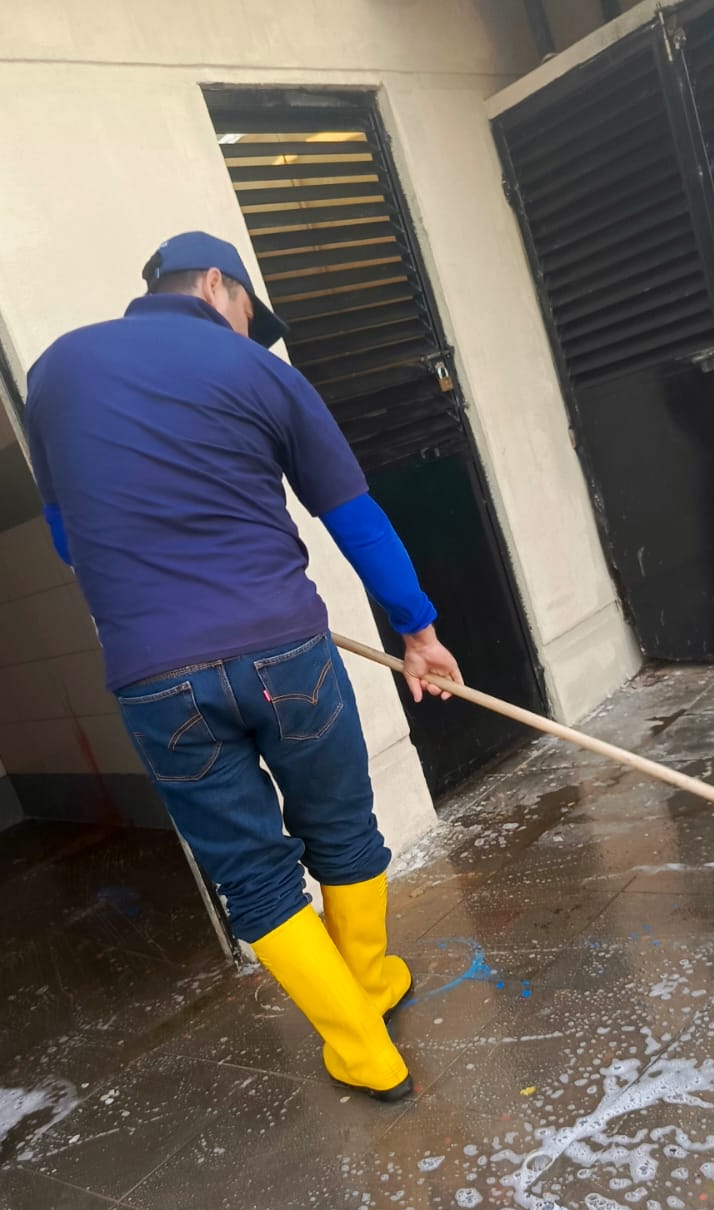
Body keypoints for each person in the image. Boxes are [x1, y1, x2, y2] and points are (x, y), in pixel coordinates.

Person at [25, 230, 462, 1102]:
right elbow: (355, 516)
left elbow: (69, 536)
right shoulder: (263, 372)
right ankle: (370, 986)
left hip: (155, 673)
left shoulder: (54, 373)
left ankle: (361, 1047)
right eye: (248, 315)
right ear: (218, 285)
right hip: (285, 652)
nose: (249, 333)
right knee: (341, 827)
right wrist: (417, 630)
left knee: (252, 874)